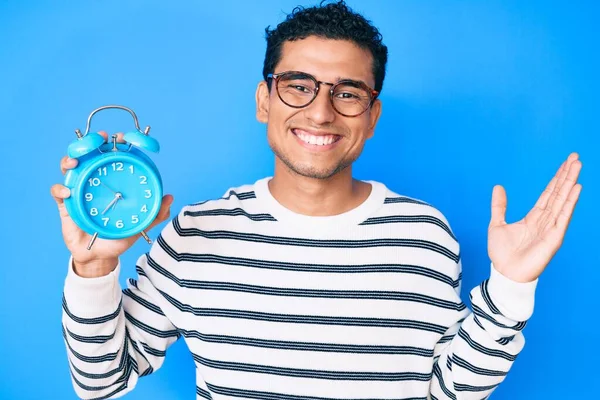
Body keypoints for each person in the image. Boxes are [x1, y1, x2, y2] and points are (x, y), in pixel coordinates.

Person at [51, 1, 583, 399]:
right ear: (264, 100)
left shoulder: (424, 235)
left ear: (372, 116)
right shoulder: (196, 233)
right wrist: (93, 268)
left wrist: (512, 288)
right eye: (298, 85)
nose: (321, 112)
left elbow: (447, 392)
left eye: (347, 92)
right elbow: (101, 382)